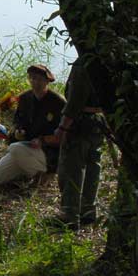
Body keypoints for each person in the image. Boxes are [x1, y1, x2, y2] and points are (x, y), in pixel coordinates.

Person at [51, 55, 105, 229]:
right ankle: (88, 210)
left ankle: (70, 214)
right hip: (99, 121)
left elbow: (75, 101)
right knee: (93, 166)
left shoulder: (84, 63)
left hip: (80, 122)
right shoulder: (107, 58)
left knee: (72, 167)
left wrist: (63, 127)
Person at [0, 64, 65, 185]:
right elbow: (18, 121)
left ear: (47, 81)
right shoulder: (24, 98)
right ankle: (28, 173)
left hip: (48, 152)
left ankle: (46, 173)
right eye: (32, 78)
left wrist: (43, 140)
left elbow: (65, 134)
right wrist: (18, 130)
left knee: (14, 148)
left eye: (39, 79)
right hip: (25, 148)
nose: (35, 82)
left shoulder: (58, 102)